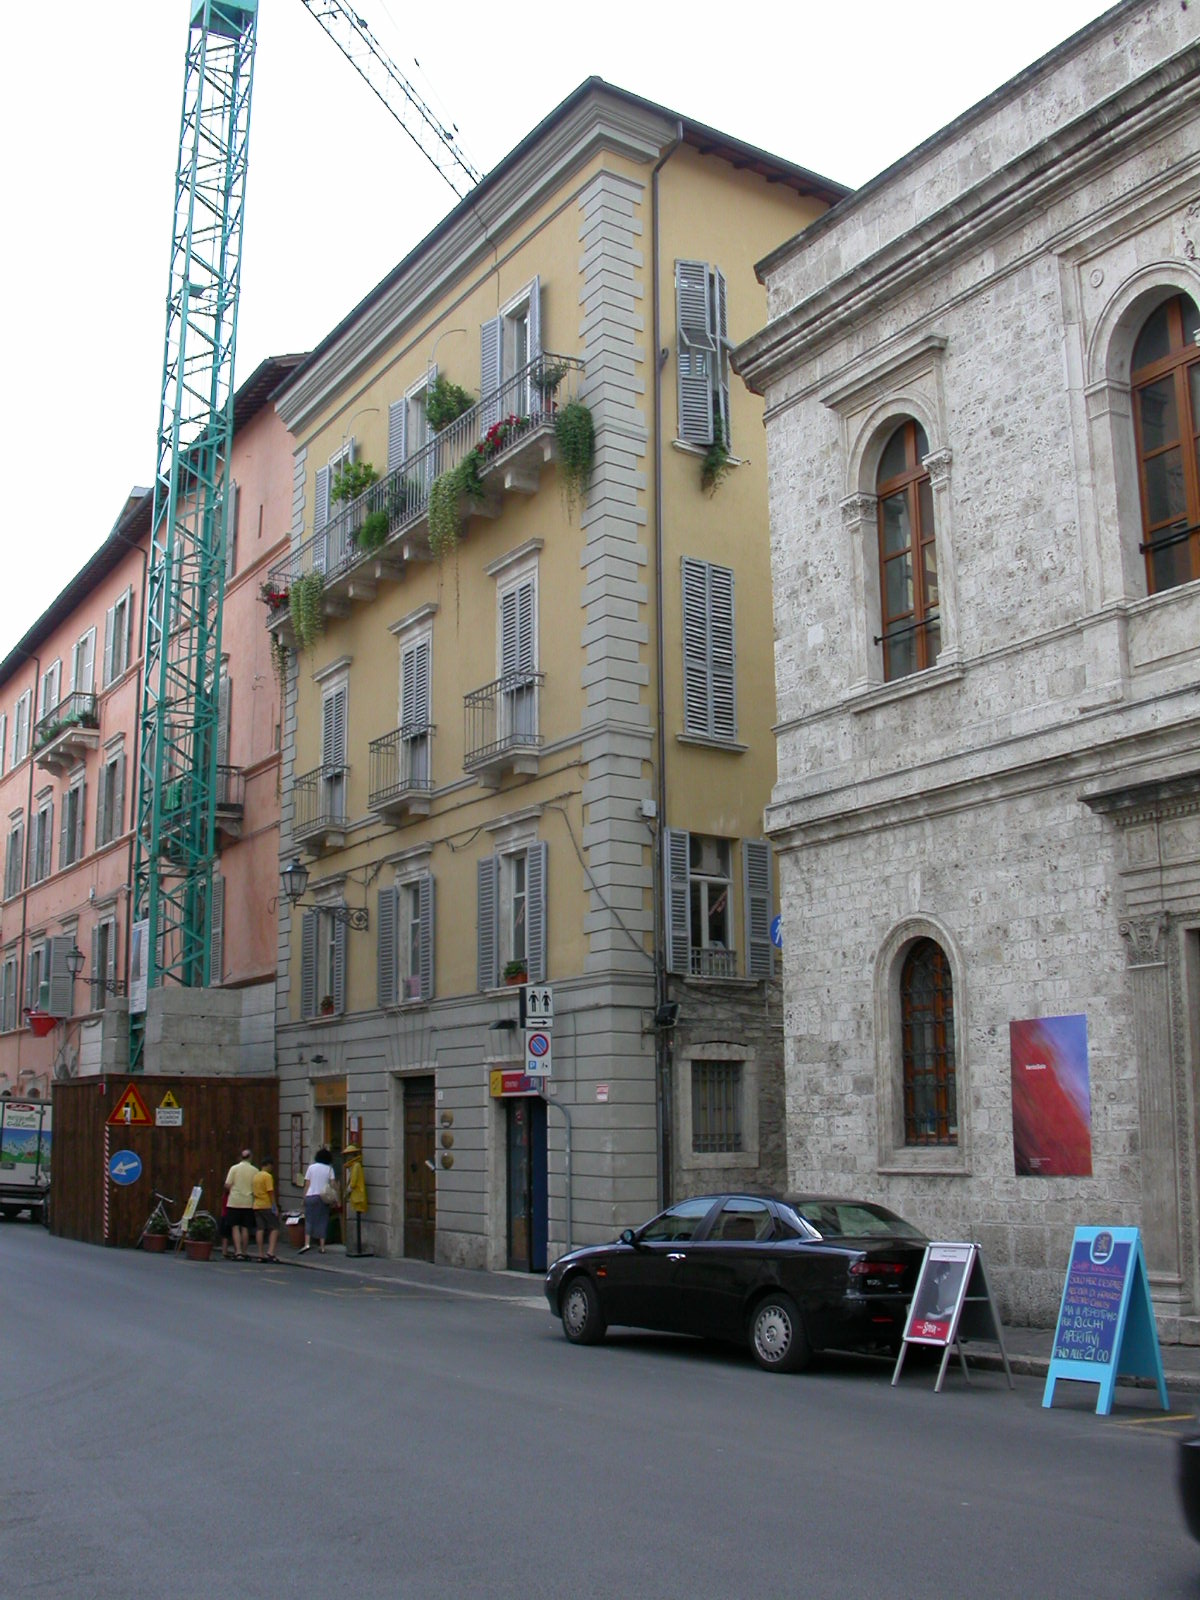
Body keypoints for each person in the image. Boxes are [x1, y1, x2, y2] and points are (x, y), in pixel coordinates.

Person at [223, 1148, 258, 1261]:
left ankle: (237, 1251)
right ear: (250, 1157)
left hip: (234, 1201)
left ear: (240, 1157)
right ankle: (244, 1251)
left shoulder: (234, 1168)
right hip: (248, 1201)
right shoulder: (255, 1170)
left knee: (235, 1227)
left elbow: (227, 1185)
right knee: (245, 1228)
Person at [301, 1145, 337, 1255]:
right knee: (323, 1220)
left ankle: (307, 1243)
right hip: (322, 1197)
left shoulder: (311, 1167)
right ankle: (322, 1246)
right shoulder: (329, 1169)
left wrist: (304, 1197)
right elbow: (333, 1184)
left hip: (310, 1195)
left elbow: (307, 1184)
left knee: (309, 1220)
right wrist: (336, 1197)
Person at [253, 1157, 281, 1263]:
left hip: (256, 1205)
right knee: (275, 1227)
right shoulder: (267, 1176)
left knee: (260, 1229)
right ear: (268, 1165)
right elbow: (270, 1192)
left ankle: (260, 1254)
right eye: (271, 1166)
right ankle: (271, 1252)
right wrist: (274, 1206)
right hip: (266, 1205)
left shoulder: (256, 1176)